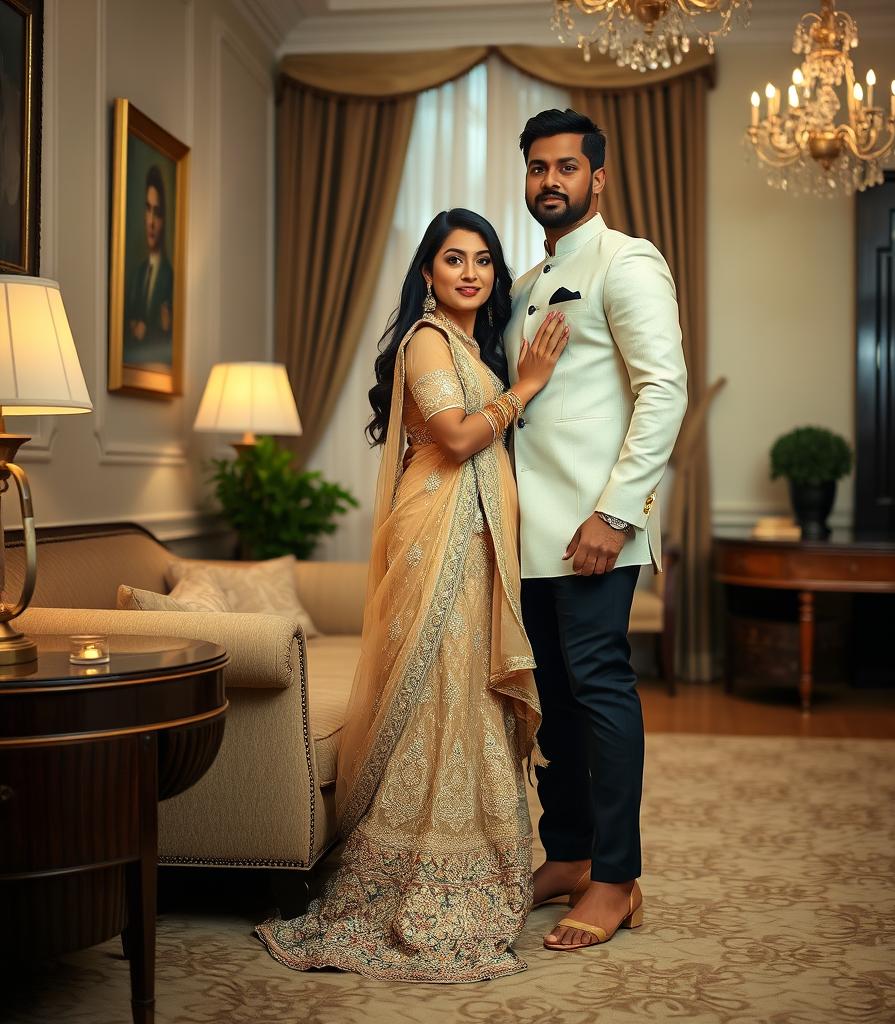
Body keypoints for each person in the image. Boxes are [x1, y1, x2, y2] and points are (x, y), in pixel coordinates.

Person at [255, 208, 569, 982]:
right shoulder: (427, 339)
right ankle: (413, 872)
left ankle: (479, 863)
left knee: (467, 693)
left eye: (484, 261)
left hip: (476, 536)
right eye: (453, 258)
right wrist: (527, 386)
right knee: (438, 691)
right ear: (427, 272)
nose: (470, 272)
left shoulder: (469, 345)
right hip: (439, 533)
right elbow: (457, 437)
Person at [505, 109, 688, 952]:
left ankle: (617, 879)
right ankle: (570, 854)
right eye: (539, 168)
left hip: (593, 529)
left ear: (598, 177)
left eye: (567, 168)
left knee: (602, 693)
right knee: (556, 709)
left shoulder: (628, 260)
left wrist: (615, 514)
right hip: (527, 533)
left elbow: (663, 391)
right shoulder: (529, 280)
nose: (551, 181)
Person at [124, 164, 174, 363]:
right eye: (148, 210)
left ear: (164, 219)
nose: (151, 222)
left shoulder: (169, 276)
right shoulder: (137, 274)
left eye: (157, 213)